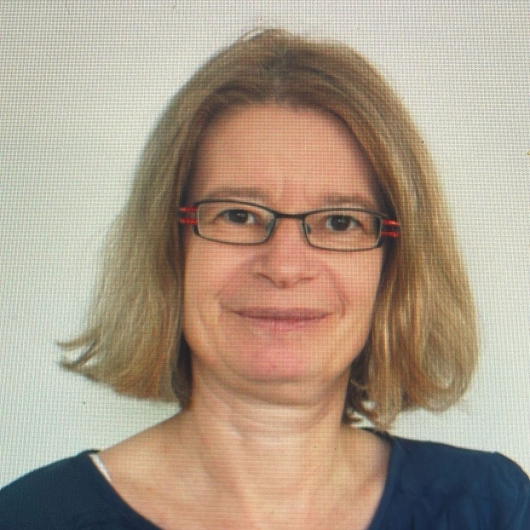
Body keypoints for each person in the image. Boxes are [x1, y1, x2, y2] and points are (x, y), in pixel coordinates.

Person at [0, 28, 528, 530]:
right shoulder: (30, 518)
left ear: (395, 266)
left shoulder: (491, 507)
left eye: (340, 222)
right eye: (238, 215)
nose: (284, 267)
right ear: (169, 248)